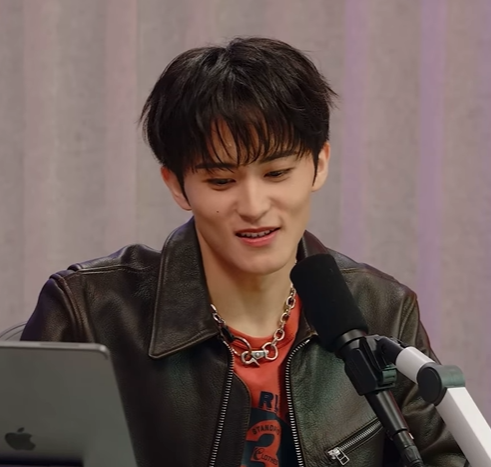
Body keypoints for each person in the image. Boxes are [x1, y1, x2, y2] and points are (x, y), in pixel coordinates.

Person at [22, 37, 464, 467]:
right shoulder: (90, 312)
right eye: (221, 181)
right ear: (177, 185)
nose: (253, 206)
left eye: (277, 173)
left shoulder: (382, 309)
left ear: (319, 164)